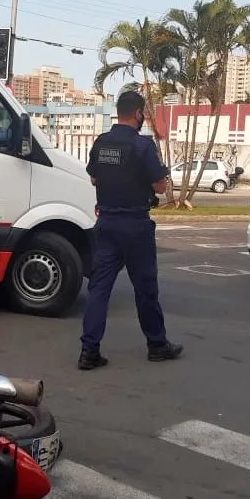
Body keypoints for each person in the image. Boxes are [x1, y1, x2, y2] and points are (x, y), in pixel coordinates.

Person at [78, 90, 182, 370]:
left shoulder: (101, 143)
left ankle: (89, 351)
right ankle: (157, 345)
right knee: (145, 288)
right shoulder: (142, 146)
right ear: (138, 114)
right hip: (135, 226)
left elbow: (93, 177)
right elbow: (160, 186)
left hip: (107, 224)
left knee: (99, 288)